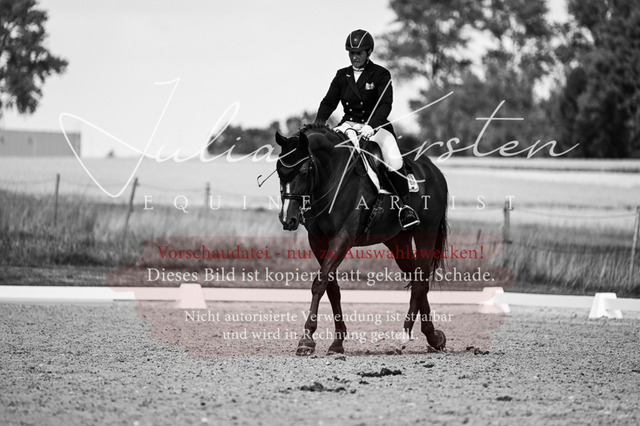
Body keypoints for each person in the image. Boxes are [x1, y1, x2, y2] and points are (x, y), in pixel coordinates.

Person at [314, 29, 420, 230]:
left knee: (394, 159)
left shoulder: (381, 74)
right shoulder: (342, 75)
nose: (354, 57)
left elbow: (385, 104)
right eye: (351, 53)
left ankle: (405, 207)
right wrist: (319, 122)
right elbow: (329, 102)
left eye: (359, 53)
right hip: (348, 125)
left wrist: (372, 125)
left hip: (376, 126)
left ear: (369, 52)